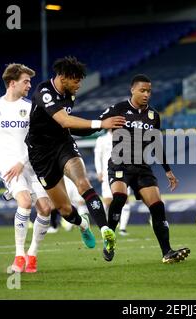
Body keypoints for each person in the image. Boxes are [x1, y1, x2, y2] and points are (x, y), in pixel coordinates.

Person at [25, 56, 126, 261]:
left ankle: (106, 230)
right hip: (41, 153)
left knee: (83, 183)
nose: (79, 85)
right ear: (63, 77)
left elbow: (69, 128)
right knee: (64, 209)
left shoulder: (69, 94)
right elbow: (64, 120)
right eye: (76, 80)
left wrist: (99, 127)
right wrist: (100, 124)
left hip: (63, 145)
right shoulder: (44, 91)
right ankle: (83, 225)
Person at [98, 74, 190, 263]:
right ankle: (110, 238)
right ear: (133, 90)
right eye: (142, 90)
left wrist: (168, 170)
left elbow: (156, 144)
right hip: (119, 163)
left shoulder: (153, 116)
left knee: (158, 207)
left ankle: (167, 252)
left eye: (149, 91)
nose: (146, 94)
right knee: (120, 197)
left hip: (142, 167)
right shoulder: (119, 108)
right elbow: (97, 123)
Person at [0, 63, 51, 273]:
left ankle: (32, 254)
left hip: (30, 164)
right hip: (8, 166)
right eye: (26, 81)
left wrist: (22, 161)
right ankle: (19, 256)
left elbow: (37, 140)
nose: (29, 85)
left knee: (45, 208)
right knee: (25, 201)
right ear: (12, 83)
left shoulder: (31, 108)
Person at [95, 129, 131, 236]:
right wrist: (99, 172)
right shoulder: (101, 139)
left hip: (124, 171)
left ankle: (123, 228)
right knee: (107, 201)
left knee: (125, 199)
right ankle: (107, 227)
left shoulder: (125, 137)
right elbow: (98, 156)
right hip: (107, 173)